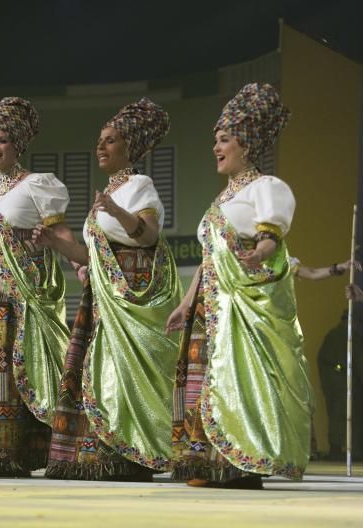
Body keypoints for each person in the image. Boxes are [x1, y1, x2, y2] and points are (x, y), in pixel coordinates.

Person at [166, 83, 313, 489]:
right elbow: (209, 259)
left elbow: (271, 236)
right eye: (215, 139)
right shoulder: (220, 202)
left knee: (235, 382)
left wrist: (262, 252)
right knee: (204, 381)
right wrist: (185, 302)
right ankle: (207, 462)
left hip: (240, 308)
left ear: (246, 145)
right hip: (209, 307)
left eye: (224, 139)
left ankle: (238, 464)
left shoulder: (264, 188)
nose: (216, 146)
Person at [34, 98, 181, 481]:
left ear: (129, 148)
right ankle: (102, 453)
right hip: (102, 300)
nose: (100, 146)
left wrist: (116, 211)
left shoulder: (139, 185)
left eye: (111, 140)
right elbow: (89, 254)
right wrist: (54, 242)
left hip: (131, 299)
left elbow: (148, 235)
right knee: (99, 372)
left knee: (127, 374)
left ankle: (133, 453)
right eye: (100, 140)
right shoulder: (108, 193)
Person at [0, 97, 73, 476]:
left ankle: (28, 454)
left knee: (29, 369)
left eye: (2, 140)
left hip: (28, 293)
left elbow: (59, 233)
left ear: (18, 145)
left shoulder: (37, 185)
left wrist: (79, 262)